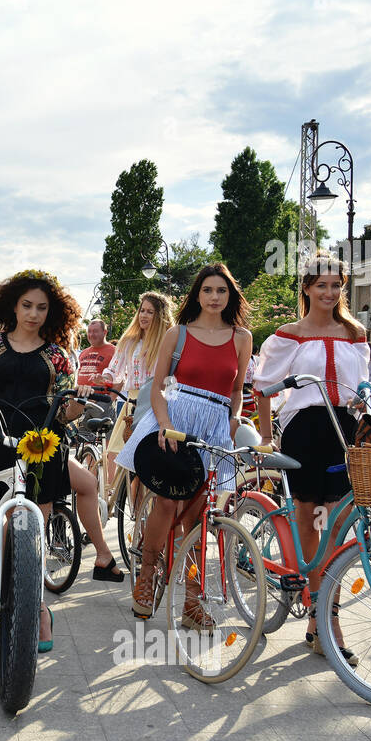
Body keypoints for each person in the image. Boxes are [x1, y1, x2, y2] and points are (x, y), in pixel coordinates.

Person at [0, 270, 122, 655]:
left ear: (51, 312)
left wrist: (80, 401)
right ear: (13, 306)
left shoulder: (56, 354)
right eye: (26, 306)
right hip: (4, 445)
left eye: (41, 308)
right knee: (6, 519)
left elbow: (65, 413)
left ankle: (38, 611)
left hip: (44, 447)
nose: (33, 314)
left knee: (32, 529)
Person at [118, 263, 253, 629]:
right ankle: (146, 577)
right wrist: (165, 425)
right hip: (176, 418)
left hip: (215, 424)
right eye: (207, 290)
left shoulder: (242, 338)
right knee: (168, 498)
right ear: (197, 294)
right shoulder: (177, 333)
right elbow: (159, 385)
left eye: (221, 291)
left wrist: (235, 417)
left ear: (230, 296)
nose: (214, 297)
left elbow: (237, 388)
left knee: (199, 515)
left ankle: (192, 602)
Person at [252, 253, 369, 665]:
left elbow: (364, 385)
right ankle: (320, 620)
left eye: (337, 285)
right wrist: (266, 438)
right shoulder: (290, 334)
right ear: (306, 288)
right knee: (309, 522)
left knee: (337, 525)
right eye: (322, 285)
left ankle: (326, 617)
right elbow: (263, 387)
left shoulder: (355, 332)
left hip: (344, 429)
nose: (330, 292)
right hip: (304, 429)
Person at [99, 292, 174, 483]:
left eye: (150, 312)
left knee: (149, 461)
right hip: (132, 403)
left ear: (160, 316)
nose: (143, 315)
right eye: (142, 310)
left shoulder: (168, 343)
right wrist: (104, 377)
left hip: (159, 404)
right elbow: (114, 369)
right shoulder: (130, 341)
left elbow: (173, 378)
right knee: (115, 454)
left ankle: (143, 508)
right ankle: (111, 496)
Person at [76, 318, 116, 386]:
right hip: (80, 395)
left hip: (101, 396)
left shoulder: (115, 351)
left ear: (105, 332)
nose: (91, 334)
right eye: (89, 331)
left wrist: (111, 397)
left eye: (95, 331)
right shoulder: (83, 353)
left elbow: (120, 379)